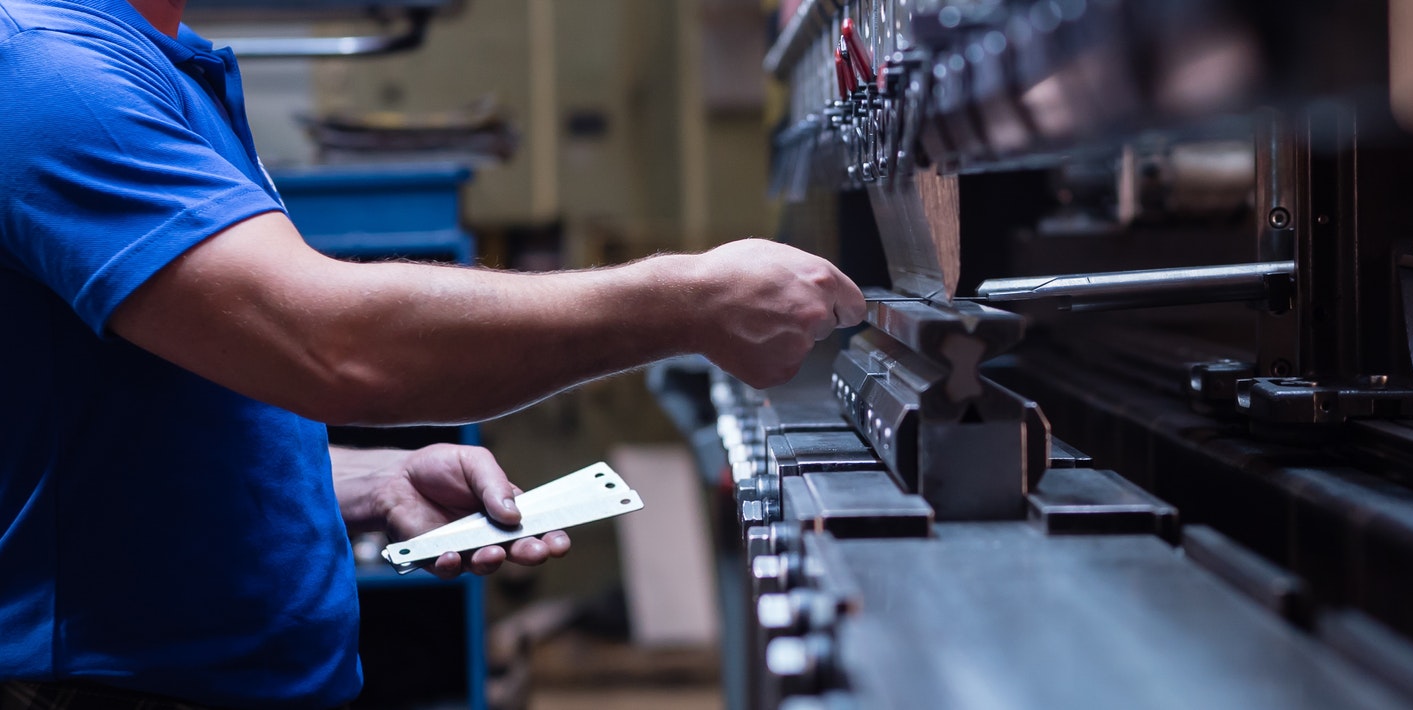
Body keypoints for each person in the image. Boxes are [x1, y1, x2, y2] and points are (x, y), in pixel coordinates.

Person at [0, 0, 868, 707]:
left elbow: (120, 416)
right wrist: (689, 301)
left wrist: (356, 479)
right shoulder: (51, 75)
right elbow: (335, 345)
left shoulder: (158, 63)